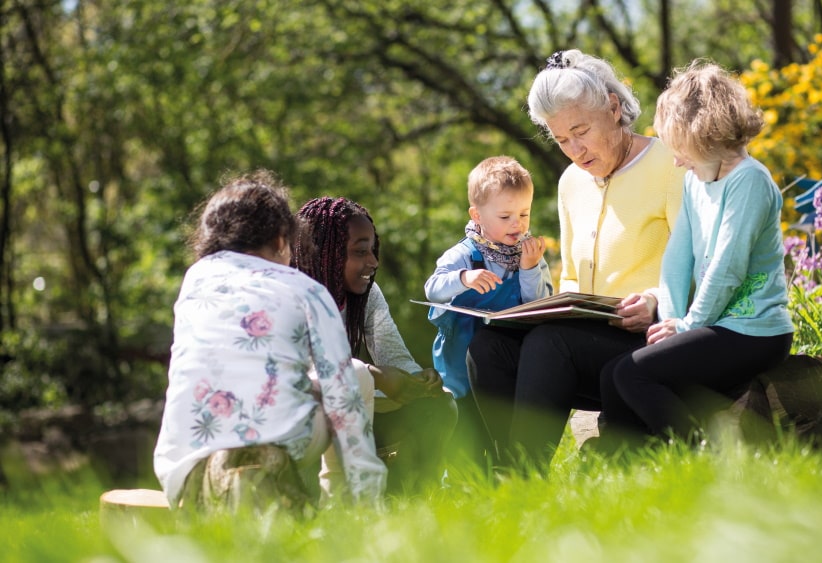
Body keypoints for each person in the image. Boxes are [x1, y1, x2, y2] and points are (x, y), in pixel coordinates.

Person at [466, 49, 685, 469]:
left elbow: (699, 266)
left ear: (614, 108)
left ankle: (522, 476)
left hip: (651, 339)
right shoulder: (571, 183)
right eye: (561, 139)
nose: (574, 149)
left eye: (580, 131)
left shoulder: (668, 165)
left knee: (552, 344)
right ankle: (499, 471)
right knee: (488, 346)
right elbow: (571, 278)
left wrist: (656, 299)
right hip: (587, 343)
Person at [153, 170, 386, 510]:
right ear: (281, 241)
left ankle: (217, 481)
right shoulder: (307, 290)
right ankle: (341, 505)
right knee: (354, 376)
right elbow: (342, 396)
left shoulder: (195, 280)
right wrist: (370, 493)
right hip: (281, 441)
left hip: (184, 462)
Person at [597, 59, 794, 448]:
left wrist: (687, 328)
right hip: (715, 325)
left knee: (632, 374)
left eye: (679, 148)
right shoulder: (693, 183)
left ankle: (695, 453)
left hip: (754, 331)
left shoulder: (749, 181)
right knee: (612, 373)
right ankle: (624, 463)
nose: (675, 160)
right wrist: (670, 322)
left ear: (705, 134)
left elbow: (727, 268)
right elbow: (677, 256)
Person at [293, 196, 458, 494]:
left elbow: (394, 356)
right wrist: (375, 375)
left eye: (372, 250)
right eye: (360, 252)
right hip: (305, 420)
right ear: (324, 254)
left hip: (357, 403)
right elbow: (303, 380)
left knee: (439, 406)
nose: (373, 262)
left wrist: (419, 379)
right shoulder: (291, 297)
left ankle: (413, 499)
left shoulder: (367, 294)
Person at [424, 155, 552, 467]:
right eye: (505, 216)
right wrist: (463, 279)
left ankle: (505, 470)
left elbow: (539, 302)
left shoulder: (529, 254)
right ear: (477, 215)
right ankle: (460, 486)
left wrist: (530, 268)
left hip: (506, 360)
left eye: (524, 213)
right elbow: (432, 288)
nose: (518, 224)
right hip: (460, 361)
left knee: (502, 423)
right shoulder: (464, 255)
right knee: (466, 435)